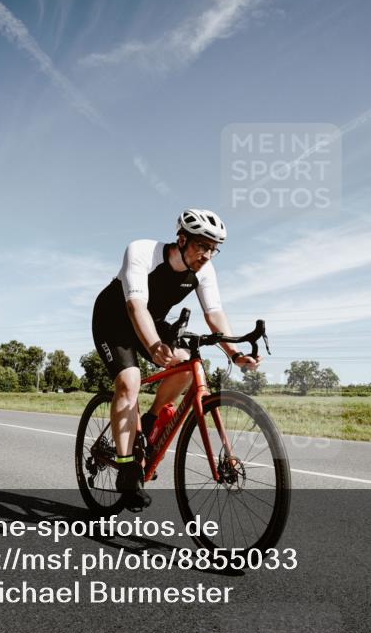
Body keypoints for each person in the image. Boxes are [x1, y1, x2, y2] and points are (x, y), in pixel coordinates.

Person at [91, 209, 261, 511]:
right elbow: (135, 306)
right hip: (114, 320)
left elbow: (213, 315)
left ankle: (150, 420)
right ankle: (127, 470)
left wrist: (234, 353)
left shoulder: (204, 270)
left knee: (184, 365)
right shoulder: (142, 251)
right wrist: (154, 344)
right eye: (201, 245)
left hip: (152, 320)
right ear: (181, 239)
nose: (207, 254)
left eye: (213, 248)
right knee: (129, 381)